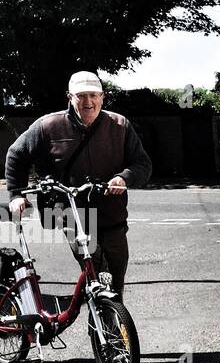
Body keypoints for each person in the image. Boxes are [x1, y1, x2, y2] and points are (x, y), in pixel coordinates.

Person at [5, 71, 152, 299]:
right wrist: (16, 194)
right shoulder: (48, 126)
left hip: (112, 214)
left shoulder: (120, 125)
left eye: (93, 95)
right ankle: (101, 315)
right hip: (73, 213)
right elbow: (16, 154)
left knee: (116, 277)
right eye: (81, 95)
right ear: (69, 97)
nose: (88, 102)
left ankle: (113, 329)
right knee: (95, 269)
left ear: (103, 97)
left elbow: (142, 164)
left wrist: (124, 177)